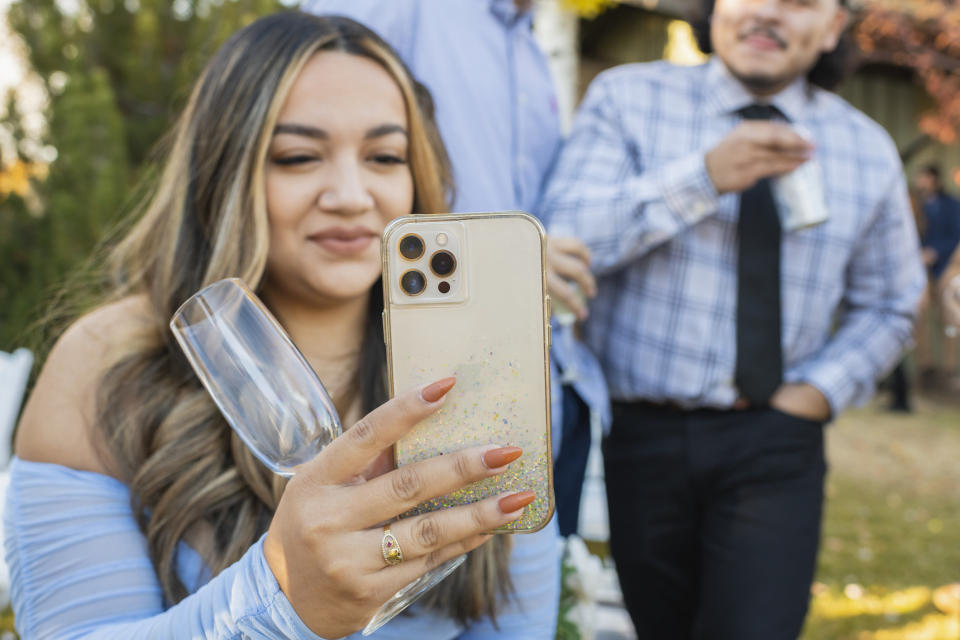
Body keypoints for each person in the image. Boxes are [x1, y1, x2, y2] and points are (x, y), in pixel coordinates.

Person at [6, 13, 557, 639]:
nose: (350, 194)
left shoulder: (478, 371)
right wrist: (283, 603)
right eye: (298, 157)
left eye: (384, 155)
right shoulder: (109, 363)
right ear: (225, 173)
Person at [539, 0, 926, 637]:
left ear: (833, 27)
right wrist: (703, 177)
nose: (767, 13)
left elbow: (890, 302)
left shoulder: (865, 148)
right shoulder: (626, 99)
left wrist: (818, 392)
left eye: (799, 1)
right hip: (641, 436)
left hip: (776, 441)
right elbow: (563, 244)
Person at [301, 0, 611, 540]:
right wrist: (496, 270)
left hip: (536, 382)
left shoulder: (533, 49)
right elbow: (321, 141)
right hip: (416, 386)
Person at [912, 164, 960, 384]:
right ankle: (926, 367)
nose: (921, 182)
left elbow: (955, 236)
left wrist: (935, 252)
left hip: (946, 268)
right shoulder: (915, 205)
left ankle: (949, 369)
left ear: (935, 180)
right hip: (920, 271)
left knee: (949, 318)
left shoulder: (951, 205)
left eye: (924, 178)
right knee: (919, 318)